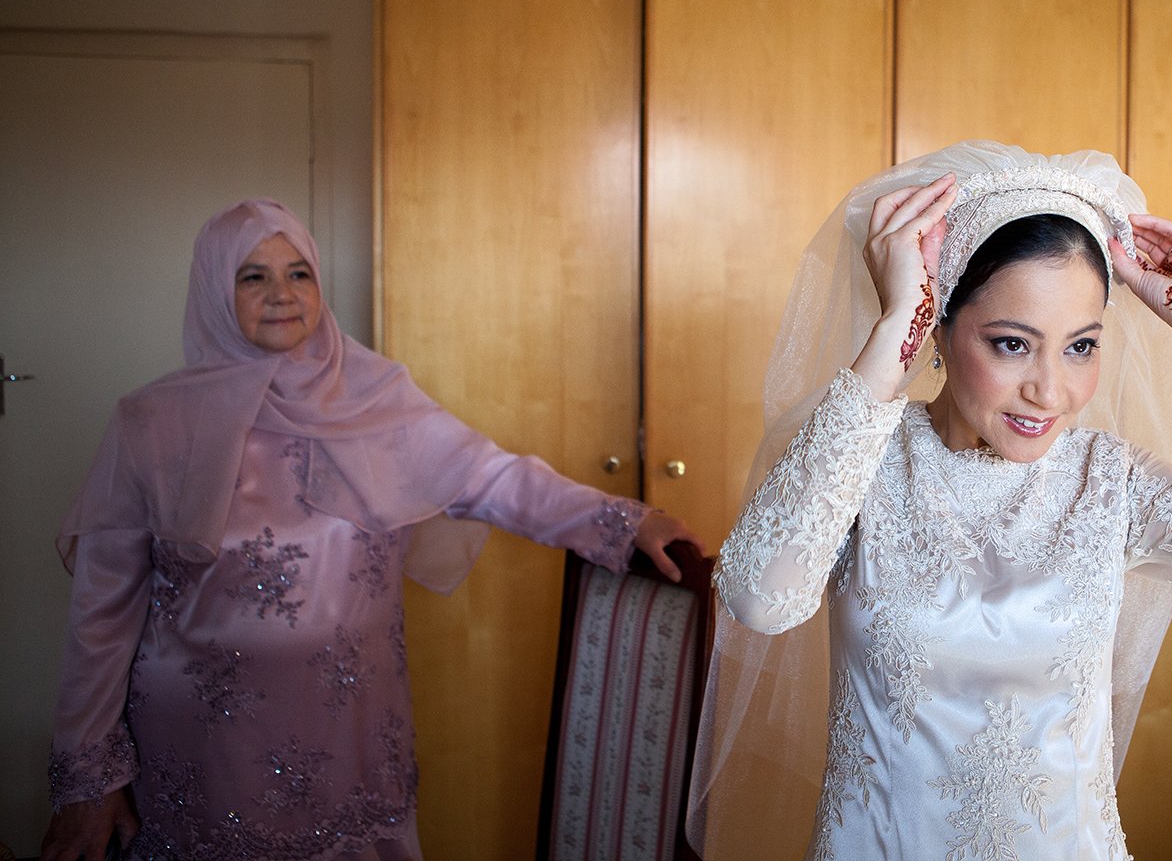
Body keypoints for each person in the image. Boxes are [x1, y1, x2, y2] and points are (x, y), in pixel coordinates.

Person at [695, 142, 1172, 859]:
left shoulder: (1110, 483)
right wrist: (894, 329)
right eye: (1012, 344)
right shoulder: (859, 457)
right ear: (941, 327)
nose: (1050, 392)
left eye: (1081, 346)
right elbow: (759, 598)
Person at [41, 199, 702, 861]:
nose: (282, 295)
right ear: (215, 288)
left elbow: (494, 479)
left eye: (299, 273)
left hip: (351, 741)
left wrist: (621, 521)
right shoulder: (153, 423)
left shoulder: (377, 401)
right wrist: (89, 781)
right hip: (204, 754)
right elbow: (102, 612)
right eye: (253, 277)